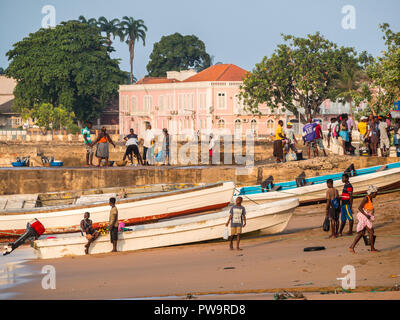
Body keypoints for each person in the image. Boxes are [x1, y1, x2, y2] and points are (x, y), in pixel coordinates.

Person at [349, 185, 379, 253]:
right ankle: (372, 249)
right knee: (371, 231)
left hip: (366, 216)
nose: (376, 194)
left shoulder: (370, 198)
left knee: (362, 233)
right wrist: (366, 215)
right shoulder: (366, 198)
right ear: (371, 193)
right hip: (363, 216)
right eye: (375, 193)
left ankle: (351, 247)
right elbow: (359, 208)